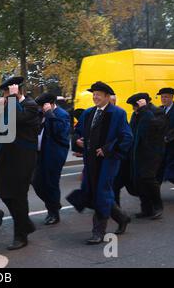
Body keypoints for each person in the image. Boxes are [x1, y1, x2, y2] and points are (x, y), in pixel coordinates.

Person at [67, 81, 132, 245]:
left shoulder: (117, 113)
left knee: (101, 193)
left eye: (98, 95)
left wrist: (107, 149)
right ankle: (122, 217)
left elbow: (126, 137)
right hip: (90, 160)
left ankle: (98, 232)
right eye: (94, 94)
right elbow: (78, 132)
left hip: (108, 161)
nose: (95, 97)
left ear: (107, 97)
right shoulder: (88, 113)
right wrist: (79, 141)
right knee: (94, 191)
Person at [0, 76, 41, 250]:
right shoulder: (8, 107)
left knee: (18, 196)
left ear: (16, 92)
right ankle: (26, 224)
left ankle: (21, 235)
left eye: (6, 93)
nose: (3, 96)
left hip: (23, 159)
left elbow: (15, 120)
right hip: (7, 157)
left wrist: (12, 98)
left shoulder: (31, 106)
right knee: (5, 193)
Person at [126, 93, 167, 219]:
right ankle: (146, 209)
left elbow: (155, 126)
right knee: (139, 181)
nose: (134, 109)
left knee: (148, 178)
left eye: (135, 106)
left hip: (152, 153)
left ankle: (158, 206)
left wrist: (145, 110)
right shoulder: (137, 114)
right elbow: (131, 130)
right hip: (137, 153)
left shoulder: (157, 112)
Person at [32, 93, 70, 225]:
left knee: (51, 184)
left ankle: (53, 213)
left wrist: (49, 114)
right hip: (39, 154)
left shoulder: (61, 114)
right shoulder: (41, 114)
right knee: (36, 182)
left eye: (43, 106)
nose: (41, 109)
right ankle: (54, 204)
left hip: (54, 154)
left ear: (51, 104)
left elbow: (59, 132)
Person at [156, 88, 174, 185]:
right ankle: (155, 193)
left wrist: (168, 137)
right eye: (162, 97)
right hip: (162, 147)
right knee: (159, 169)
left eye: (166, 97)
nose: (163, 99)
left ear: (172, 97)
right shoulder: (158, 110)